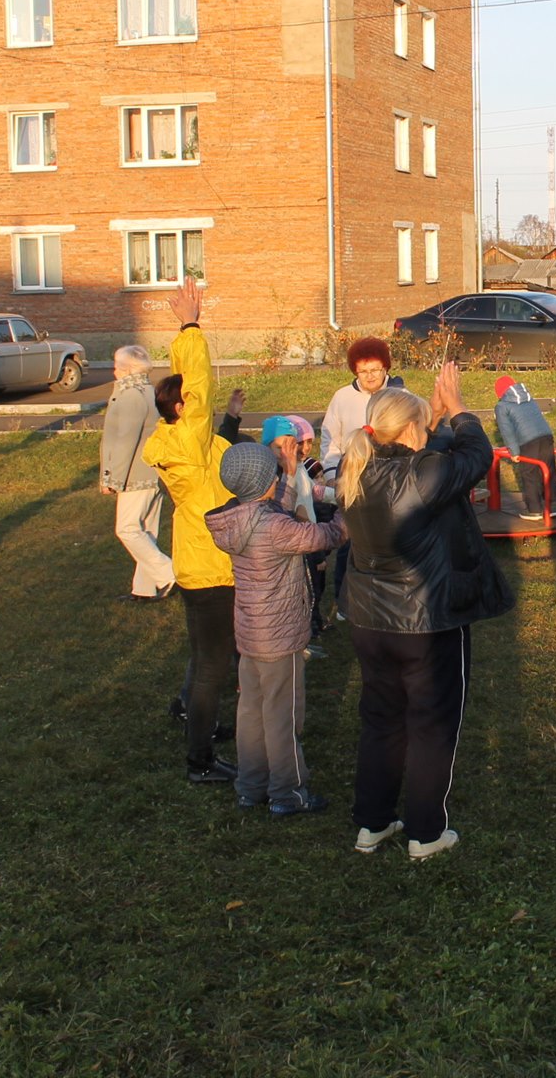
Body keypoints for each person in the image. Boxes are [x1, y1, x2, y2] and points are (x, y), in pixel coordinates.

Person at [337, 362, 513, 861]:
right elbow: (476, 456)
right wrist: (458, 409)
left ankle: (372, 823)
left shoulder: (357, 467)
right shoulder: (421, 476)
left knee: (382, 719)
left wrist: (429, 420)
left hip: (370, 621)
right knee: (432, 723)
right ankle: (426, 832)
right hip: (426, 623)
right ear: (409, 432)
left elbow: (423, 460)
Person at [206, 442, 347, 817]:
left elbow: (272, 509)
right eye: (274, 474)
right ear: (264, 481)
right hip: (281, 638)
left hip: (250, 634)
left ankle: (251, 786)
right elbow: (327, 536)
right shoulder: (277, 528)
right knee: (283, 716)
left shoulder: (237, 518)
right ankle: (288, 791)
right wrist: (348, 510)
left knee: (251, 711)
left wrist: (285, 473)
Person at [142, 277, 241, 784]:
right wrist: (190, 326)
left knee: (209, 659)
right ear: (182, 410)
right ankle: (199, 760)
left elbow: (192, 392)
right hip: (211, 567)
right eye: (193, 404)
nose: (201, 404)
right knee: (211, 668)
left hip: (198, 561)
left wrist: (183, 341)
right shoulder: (187, 442)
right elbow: (198, 387)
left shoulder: (183, 442)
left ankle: (204, 726)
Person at [318, 337, 406, 622]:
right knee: (350, 540)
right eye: (363, 371)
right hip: (352, 476)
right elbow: (331, 439)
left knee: (388, 539)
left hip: (389, 476)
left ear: (386, 368)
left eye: (375, 370)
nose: (370, 377)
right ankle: (346, 602)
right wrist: (331, 474)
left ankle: (388, 597)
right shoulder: (342, 398)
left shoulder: (400, 395)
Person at [100, 345, 175, 603]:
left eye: (117, 366)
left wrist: (112, 479)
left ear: (128, 369)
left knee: (128, 529)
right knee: (146, 531)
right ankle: (144, 588)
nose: (114, 371)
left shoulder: (130, 395)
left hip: (136, 474)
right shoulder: (148, 391)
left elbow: (124, 441)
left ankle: (169, 574)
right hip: (152, 471)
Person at [262, 414, 335, 647]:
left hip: (308, 536)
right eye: (280, 447)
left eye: (291, 445)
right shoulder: (274, 476)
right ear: (267, 447)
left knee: (314, 587)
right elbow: (283, 508)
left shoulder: (299, 467)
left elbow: (313, 491)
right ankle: (305, 634)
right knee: (303, 591)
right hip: (294, 542)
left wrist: (338, 496)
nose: (287, 452)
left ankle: (312, 627)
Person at [493, 374, 556, 520]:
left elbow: (507, 431)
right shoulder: (528, 398)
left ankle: (534, 510)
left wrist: (514, 452)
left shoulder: (502, 406)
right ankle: (553, 506)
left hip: (528, 441)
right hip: (546, 436)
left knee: (529, 473)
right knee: (549, 470)